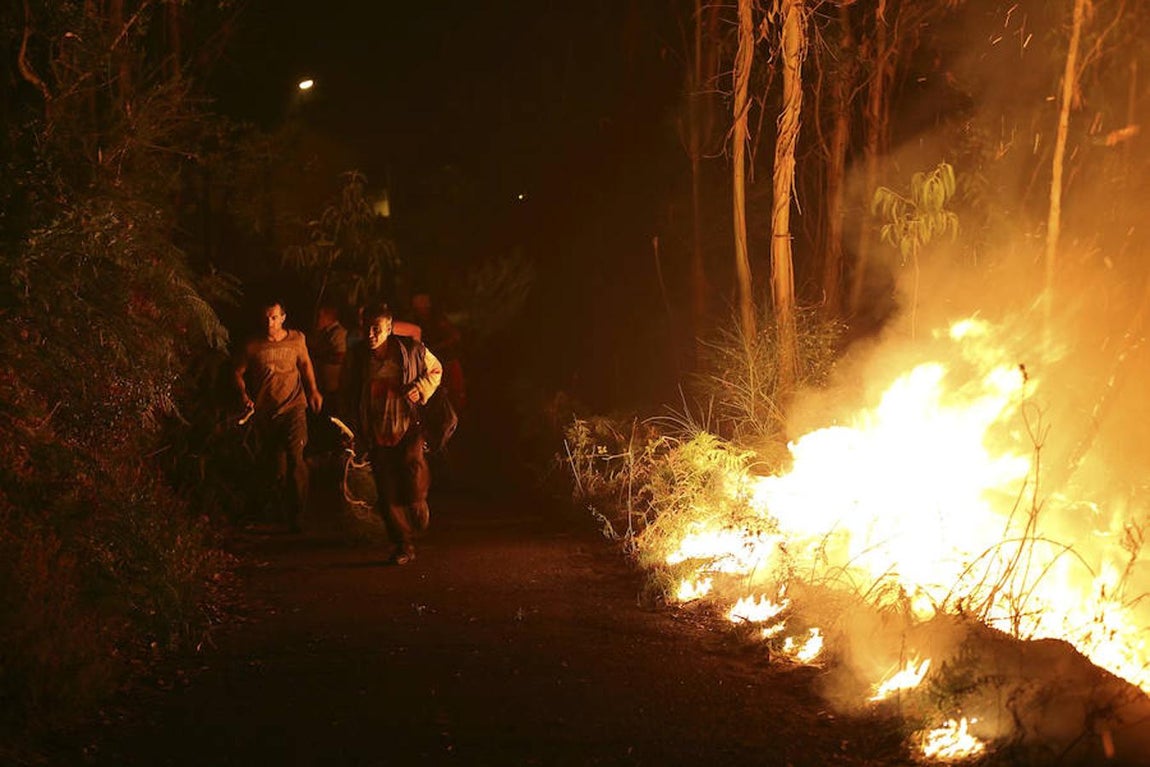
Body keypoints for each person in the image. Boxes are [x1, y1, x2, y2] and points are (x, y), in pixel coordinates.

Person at [340, 302, 442, 564]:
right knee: (386, 493)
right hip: (376, 431)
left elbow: (435, 369)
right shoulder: (359, 357)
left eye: (376, 329)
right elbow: (348, 391)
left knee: (413, 471)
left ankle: (418, 501)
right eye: (367, 329)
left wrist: (420, 387)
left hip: (407, 425)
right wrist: (351, 427)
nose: (371, 335)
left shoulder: (410, 350)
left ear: (388, 328)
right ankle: (403, 545)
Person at [234, 300, 324, 532]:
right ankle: (278, 511)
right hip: (266, 413)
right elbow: (237, 372)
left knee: (296, 459)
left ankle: (298, 516)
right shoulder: (253, 345)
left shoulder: (297, 339)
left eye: (274, 317)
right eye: (266, 318)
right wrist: (243, 395)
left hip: (294, 407)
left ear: (283, 317)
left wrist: (313, 390)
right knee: (277, 467)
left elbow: (305, 363)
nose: (269, 322)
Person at [409, 291, 465, 411]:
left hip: (447, 362)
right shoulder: (415, 322)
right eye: (417, 303)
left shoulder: (438, 320)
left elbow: (455, 336)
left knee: (454, 397)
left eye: (422, 302)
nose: (419, 306)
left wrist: (438, 347)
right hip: (428, 367)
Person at [308, 300, 348, 413]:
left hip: (333, 389)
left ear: (328, 315)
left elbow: (341, 356)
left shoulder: (338, 333)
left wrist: (319, 356)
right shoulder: (322, 333)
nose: (317, 318)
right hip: (322, 387)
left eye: (320, 315)